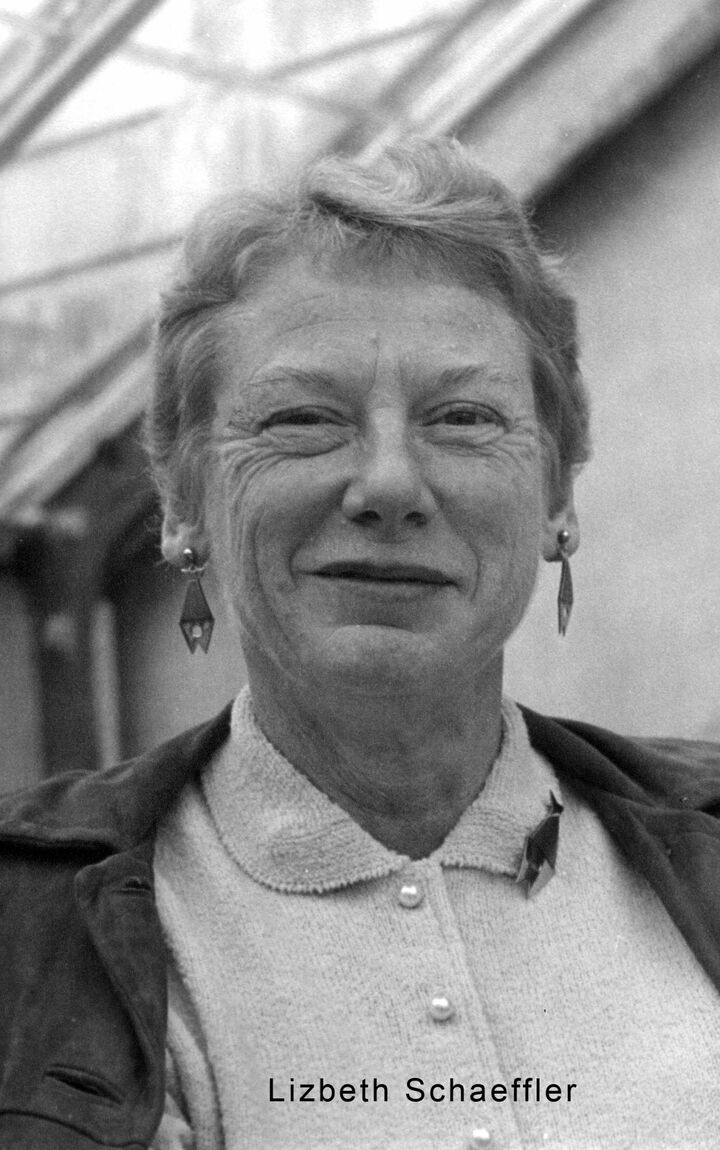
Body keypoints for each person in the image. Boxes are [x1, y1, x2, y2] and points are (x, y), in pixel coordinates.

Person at [1, 138, 719, 1150]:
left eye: (462, 417)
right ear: (183, 501)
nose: (388, 485)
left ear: (556, 494)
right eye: (303, 419)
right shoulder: (24, 922)